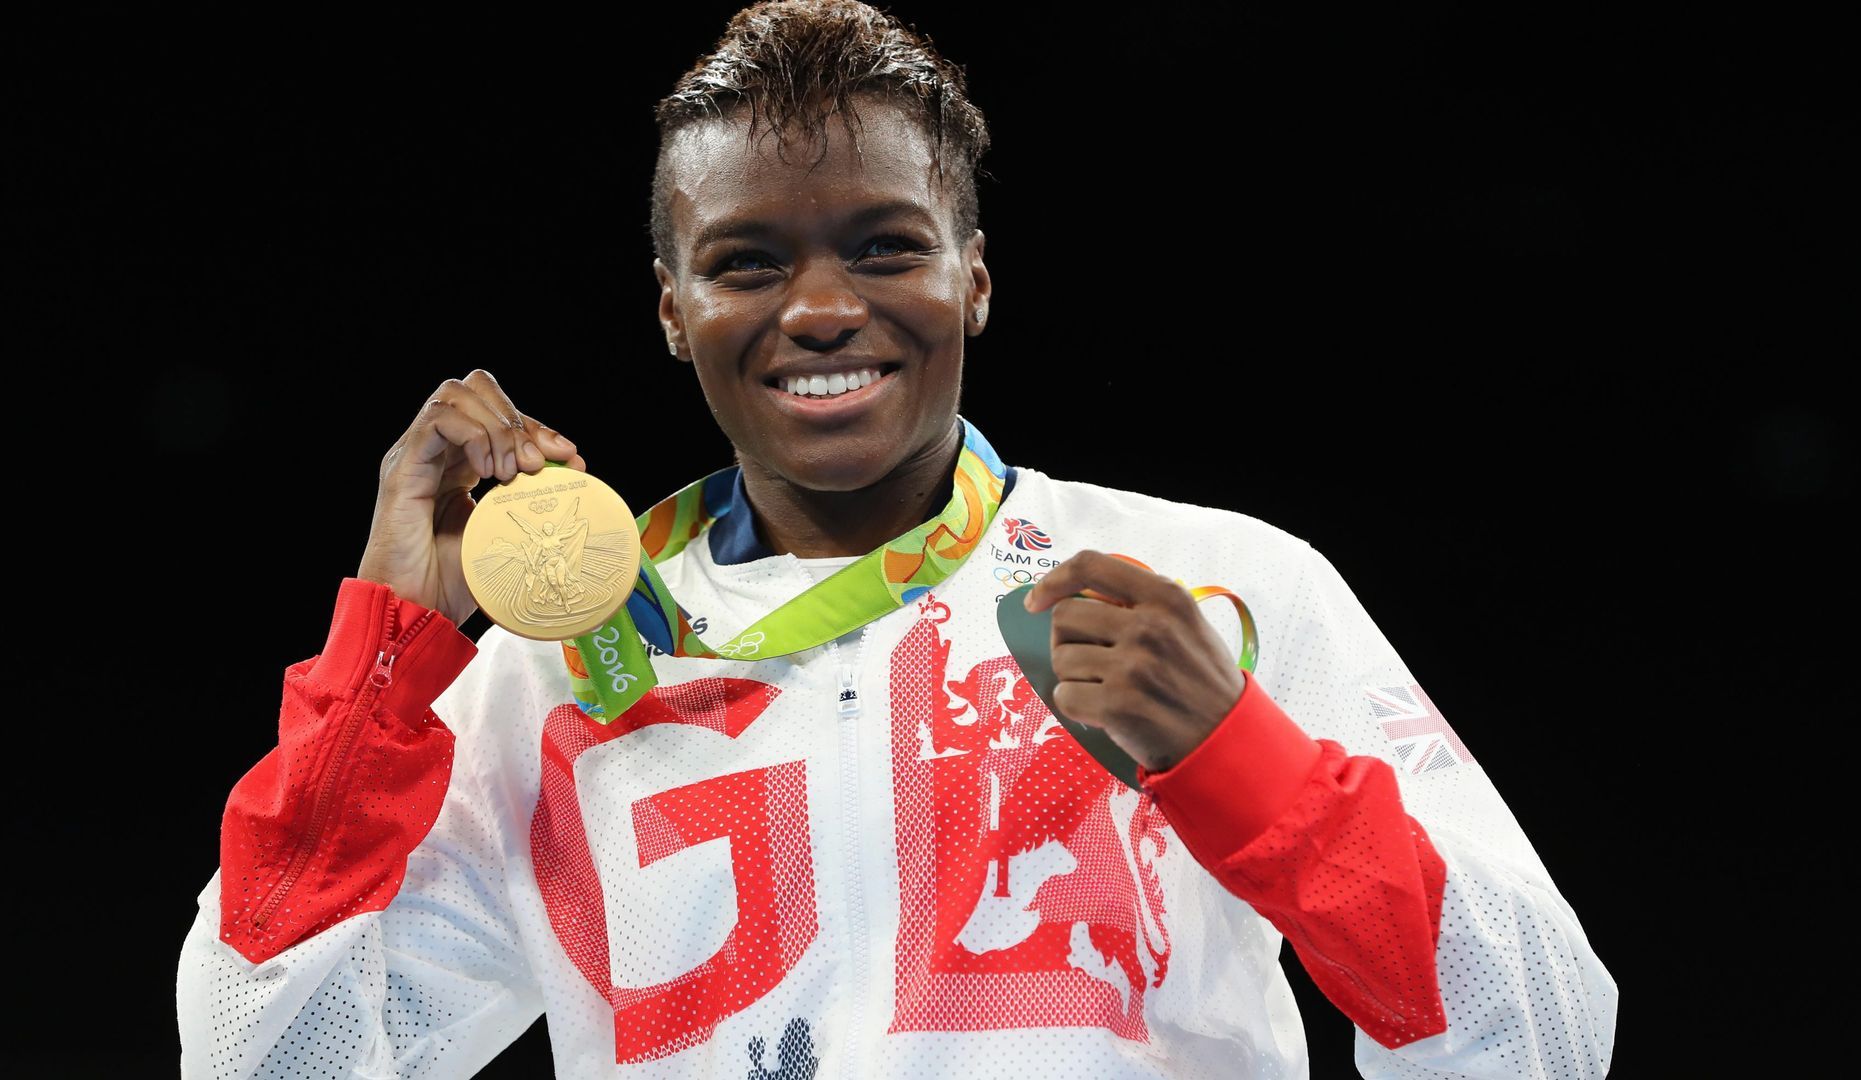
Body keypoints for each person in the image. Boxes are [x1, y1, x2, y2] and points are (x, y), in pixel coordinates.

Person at [176, 2, 1617, 1076]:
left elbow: (1542, 1036)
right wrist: (388, 664)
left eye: (884, 246)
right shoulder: (550, 675)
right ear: (674, 311)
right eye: (747, 262)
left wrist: (1245, 767)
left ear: (971, 280)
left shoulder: (1217, 593)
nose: (818, 309)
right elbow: (270, 1062)